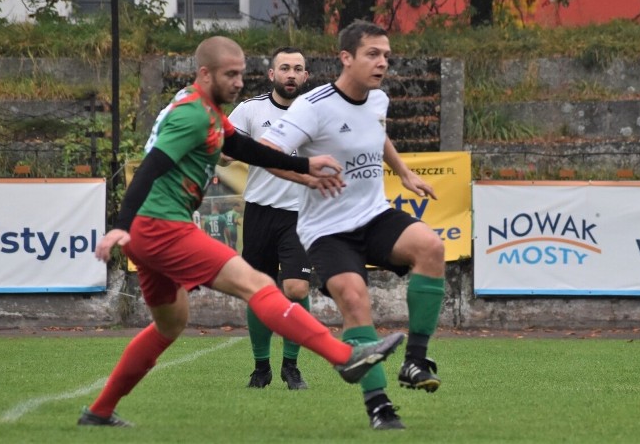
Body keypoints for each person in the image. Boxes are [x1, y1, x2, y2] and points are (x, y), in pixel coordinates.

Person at [77, 36, 404, 428]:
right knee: (257, 285)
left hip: (153, 230)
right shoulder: (193, 115)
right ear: (204, 73)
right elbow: (150, 168)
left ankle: (98, 411)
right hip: (161, 226)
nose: (237, 82)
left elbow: (250, 150)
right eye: (229, 74)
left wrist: (304, 165)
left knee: (170, 324)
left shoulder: (209, 111)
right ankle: (344, 357)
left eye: (240, 74)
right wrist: (119, 227)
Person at [260, 21, 446, 430]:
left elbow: (376, 135)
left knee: (430, 247)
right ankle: (380, 407)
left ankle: (415, 361)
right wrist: (306, 176)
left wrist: (404, 172)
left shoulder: (378, 99)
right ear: (346, 58)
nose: (382, 63)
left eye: (386, 56)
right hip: (327, 229)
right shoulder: (313, 105)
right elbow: (267, 152)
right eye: (373, 54)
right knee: (356, 299)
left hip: (373, 214)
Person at [228, 46, 314, 390]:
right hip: (260, 212)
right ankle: (260, 367)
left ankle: (290, 366)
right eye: (285, 68)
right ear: (272, 74)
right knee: (259, 291)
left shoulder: (318, 112)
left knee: (296, 287)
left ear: (306, 76)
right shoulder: (250, 110)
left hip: (301, 214)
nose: (291, 74)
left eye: (298, 69)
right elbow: (224, 148)